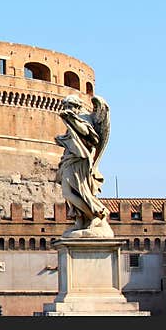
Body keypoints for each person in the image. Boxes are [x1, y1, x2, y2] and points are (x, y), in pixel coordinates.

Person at [55, 94, 113, 238]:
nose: (68, 109)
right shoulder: (72, 119)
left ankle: (96, 214)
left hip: (81, 161)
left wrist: (72, 119)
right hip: (71, 159)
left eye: (70, 106)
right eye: (66, 107)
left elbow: (87, 133)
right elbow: (73, 140)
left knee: (80, 190)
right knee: (69, 193)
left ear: (77, 107)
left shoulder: (84, 117)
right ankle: (82, 219)